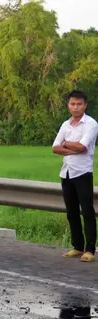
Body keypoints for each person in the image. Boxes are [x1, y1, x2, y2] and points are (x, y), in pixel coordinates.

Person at [53, 90, 98, 262]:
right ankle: (77, 247)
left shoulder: (91, 124)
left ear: (85, 105)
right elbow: (55, 147)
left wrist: (66, 144)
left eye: (79, 104)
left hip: (83, 173)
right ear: (68, 105)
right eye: (72, 104)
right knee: (71, 212)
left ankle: (89, 249)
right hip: (67, 173)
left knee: (87, 211)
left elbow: (82, 147)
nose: (76, 107)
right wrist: (71, 146)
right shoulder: (66, 124)